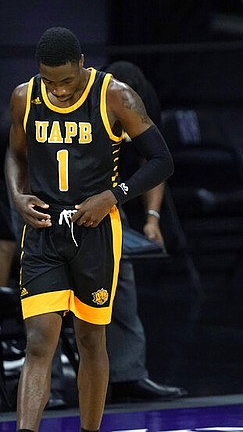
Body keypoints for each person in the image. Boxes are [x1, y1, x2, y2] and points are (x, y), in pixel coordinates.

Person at [6, 27, 173, 431]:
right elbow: (15, 153)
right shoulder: (24, 97)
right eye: (50, 81)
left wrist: (113, 196)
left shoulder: (116, 95)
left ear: (82, 63)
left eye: (66, 80)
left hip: (95, 231)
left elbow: (161, 161)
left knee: (89, 341)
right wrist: (16, 194)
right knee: (40, 340)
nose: (59, 91)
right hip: (45, 229)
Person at [103, 60, 188, 403]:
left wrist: (152, 217)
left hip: (110, 200)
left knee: (122, 285)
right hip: (62, 197)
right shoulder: (92, 100)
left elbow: (153, 162)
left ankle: (128, 374)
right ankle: (55, 382)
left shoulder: (141, 102)